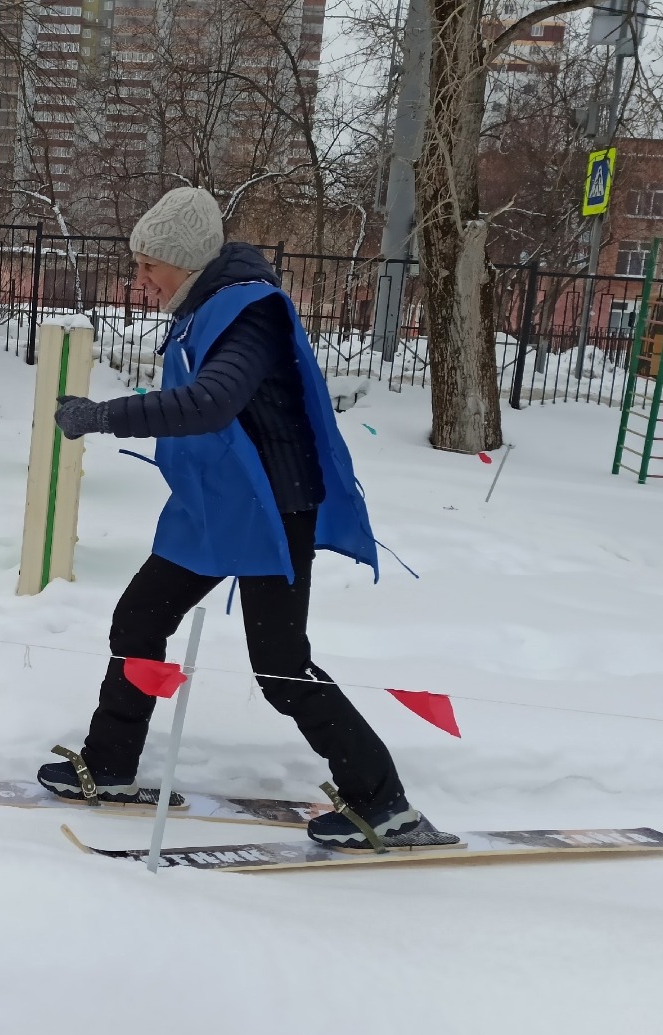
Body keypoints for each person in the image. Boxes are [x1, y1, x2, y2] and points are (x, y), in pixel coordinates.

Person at [35, 187, 445, 850]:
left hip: (273, 509)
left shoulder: (247, 312)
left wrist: (103, 417)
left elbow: (209, 404)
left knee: (280, 667)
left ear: (184, 262)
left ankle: (382, 802)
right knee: (139, 617)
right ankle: (108, 766)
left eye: (148, 266)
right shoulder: (203, 309)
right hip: (214, 505)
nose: (140, 279)